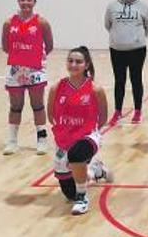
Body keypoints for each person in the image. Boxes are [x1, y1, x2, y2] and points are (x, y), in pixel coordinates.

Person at [47, 46, 113, 215]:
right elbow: (51, 115)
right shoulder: (57, 88)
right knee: (69, 194)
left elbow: (103, 117)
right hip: (64, 141)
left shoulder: (95, 89)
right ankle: (95, 170)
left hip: (88, 137)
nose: (74, 64)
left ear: (86, 64)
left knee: (76, 155)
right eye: (70, 61)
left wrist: (90, 133)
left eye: (78, 61)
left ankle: (83, 197)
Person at [1, 0, 54, 155]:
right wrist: (20, 59)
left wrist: (34, 59)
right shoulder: (9, 23)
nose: (25, 2)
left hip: (35, 70)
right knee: (15, 106)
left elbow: (49, 45)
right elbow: (5, 46)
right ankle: (11, 142)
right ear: (18, 1)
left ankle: (42, 140)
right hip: (15, 70)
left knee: (37, 105)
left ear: (34, 2)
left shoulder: (41, 22)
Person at [105, 0, 148, 126]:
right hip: (117, 50)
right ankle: (117, 111)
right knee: (119, 81)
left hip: (137, 50)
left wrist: (136, 38)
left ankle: (138, 110)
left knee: (136, 79)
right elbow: (108, 24)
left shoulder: (143, 7)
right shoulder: (112, 7)